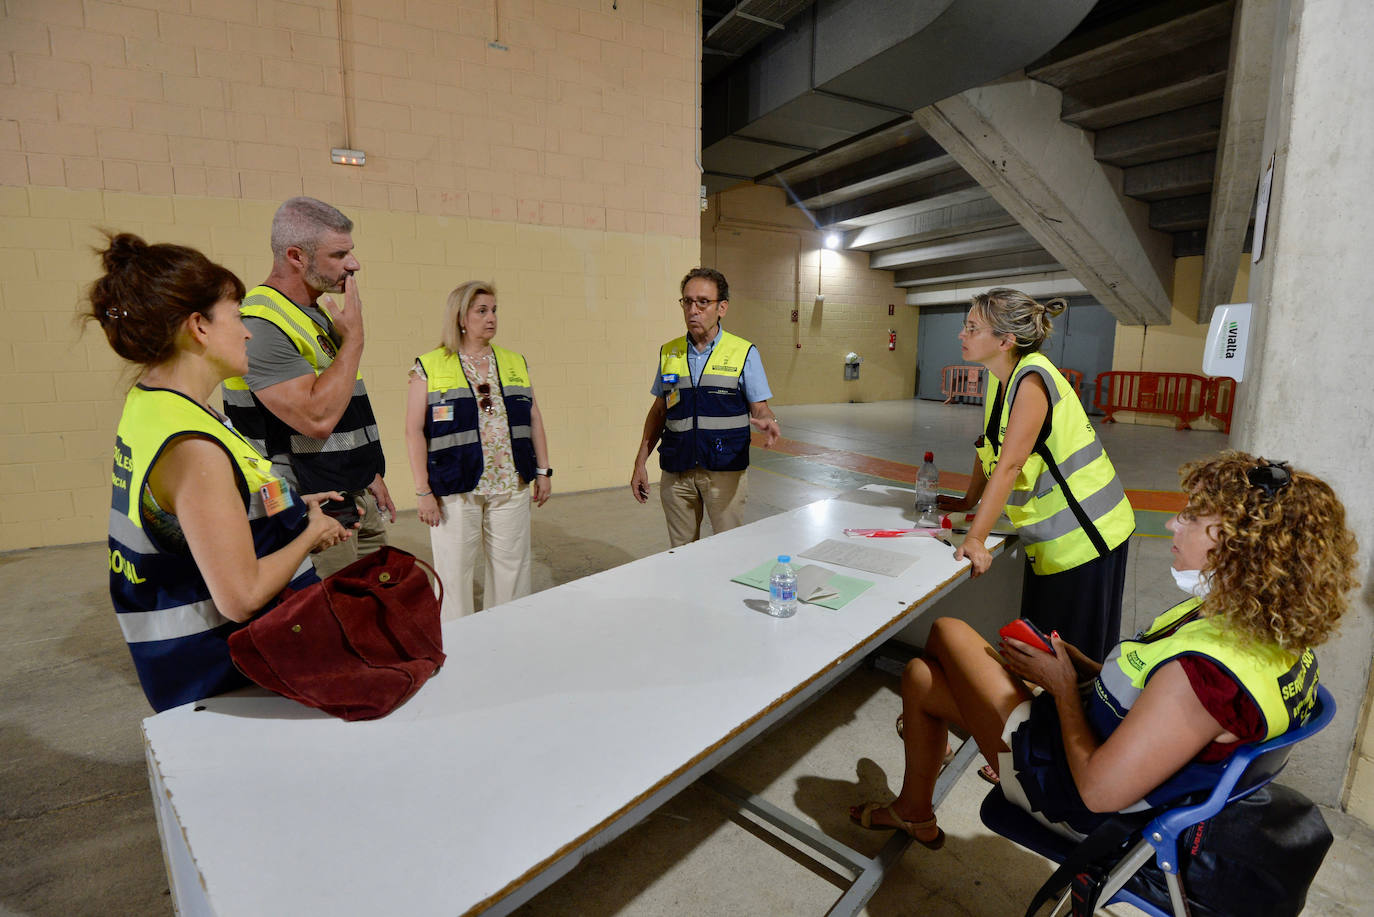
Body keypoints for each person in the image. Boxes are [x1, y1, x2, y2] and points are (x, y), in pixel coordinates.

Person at [849, 452, 1357, 848]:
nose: (1172, 526)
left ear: (1237, 546)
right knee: (919, 675)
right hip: (1119, 752)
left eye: (1191, 518)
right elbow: (1147, 695)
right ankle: (915, 810)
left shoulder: (1205, 678)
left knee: (948, 630)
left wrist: (1064, 689)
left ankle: (941, 773)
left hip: (1083, 801)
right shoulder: (1263, 635)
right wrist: (1082, 666)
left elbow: (1097, 791)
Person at [92, 233, 349, 713]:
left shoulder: (157, 404)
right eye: (237, 316)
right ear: (199, 327)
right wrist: (309, 535)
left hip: (218, 672)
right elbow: (241, 595)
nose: (248, 331)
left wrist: (290, 512)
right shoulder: (193, 447)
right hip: (232, 676)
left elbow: (194, 519)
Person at [942, 288, 1135, 664]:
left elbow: (1011, 465)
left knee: (1074, 659)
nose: (962, 334)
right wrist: (969, 500)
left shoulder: (1032, 381)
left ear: (1005, 340)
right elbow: (989, 448)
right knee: (1042, 648)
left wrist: (977, 538)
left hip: (1087, 537)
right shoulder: (1000, 377)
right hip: (1055, 539)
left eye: (972, 327)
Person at [221, 196, 393, 578]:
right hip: (308, 509)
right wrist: (355, 341)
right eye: (339, 254)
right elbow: (315, 418)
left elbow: (342, 404)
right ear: (296, 256)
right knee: (334, 623)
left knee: (375, 611)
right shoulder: (261, 325)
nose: (354, 264)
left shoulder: (314, 314)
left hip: (349, 494)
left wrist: (365, 473)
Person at [404, 281, 553, 619]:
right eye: (481, 311)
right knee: (453, 575)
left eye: (494, 310)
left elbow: (533, 417)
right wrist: (422, 490)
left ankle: (507, 638)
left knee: (512, 571)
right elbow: (413, 431)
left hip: (510, 481)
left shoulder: (514, 361)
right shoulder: (429, 365)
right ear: (460, 317)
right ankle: (459, 646)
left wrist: (544, 470)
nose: (491, 318)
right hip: (455, 486)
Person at [629, 268, 781, 546]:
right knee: (681, 554)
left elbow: (759, 407)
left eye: (702, 302)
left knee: (726, 550)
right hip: (677, 471)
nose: (693, 310)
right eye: (687, 301)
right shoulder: (669, 352)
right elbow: (659, 411)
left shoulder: (744, 352)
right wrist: (640, 461)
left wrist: (767, 419)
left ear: (721, 307)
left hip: (724, 473)